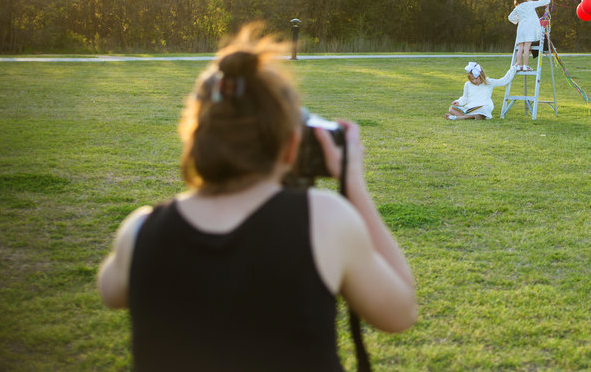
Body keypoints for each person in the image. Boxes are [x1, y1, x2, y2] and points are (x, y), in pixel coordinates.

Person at [96, 25, 416, 370]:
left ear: (193, 136)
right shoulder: (324, 220)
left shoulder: (140, 232)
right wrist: (353, 183)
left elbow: (110, 292)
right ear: (292, 146)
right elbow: (400, 312)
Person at [446, 61, 517, 120]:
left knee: (484, 110)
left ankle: (457, 118)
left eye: (476, 78)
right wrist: (458, 102)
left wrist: (514, 68)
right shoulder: (468, 84)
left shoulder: (488, 82)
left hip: (483, 106)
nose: (474, 81)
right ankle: (471, 117)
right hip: (471, 107)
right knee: (451, 108)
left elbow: (503, 81)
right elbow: (465, 98)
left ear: (481, 75)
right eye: (472, 79)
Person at [507, 0, 552, 71]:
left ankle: (519, 64)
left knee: (520, 48)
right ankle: (525, 65)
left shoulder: (517, 8)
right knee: (527, 48)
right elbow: (541, 2)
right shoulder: (530, 4)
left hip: (521, 30)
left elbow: (510, 17)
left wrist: (517, 20)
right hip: (529, 30)